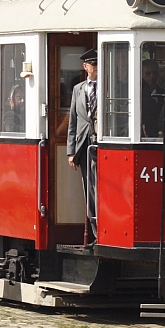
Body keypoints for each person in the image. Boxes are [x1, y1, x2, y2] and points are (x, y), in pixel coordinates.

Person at [66, 48, 98, 246]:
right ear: (85, 67)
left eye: (97, 64)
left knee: (99, 187)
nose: (95, 68)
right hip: (83, 144)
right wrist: (71, 151)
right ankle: (95, 230)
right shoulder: (78, 89)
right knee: (89, 189)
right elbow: (73, 120)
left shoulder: (109, 86)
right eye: (92, 64)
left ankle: (102, 229)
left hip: (100, 143)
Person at [141, 59, 165, 138]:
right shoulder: (136, 95)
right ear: (141, 74)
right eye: (148, 73)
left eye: (155, 73)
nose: (152, 76)